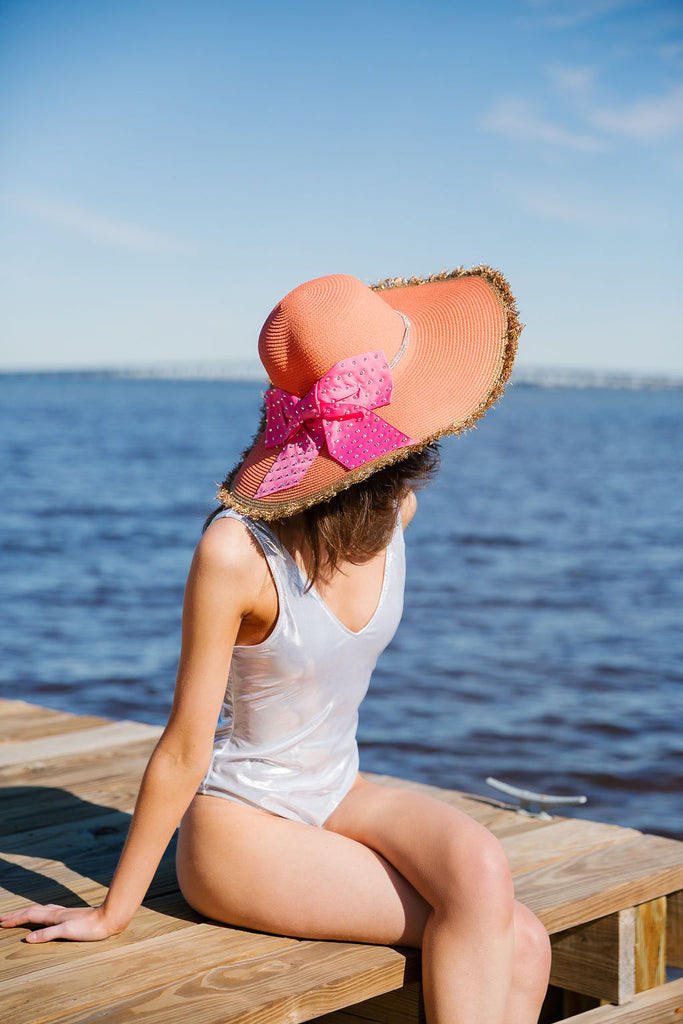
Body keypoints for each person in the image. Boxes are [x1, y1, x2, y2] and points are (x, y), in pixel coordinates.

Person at [1, 268, 551, 1023]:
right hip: (242, 833)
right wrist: (112, 911)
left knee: (485, 870)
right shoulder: (236, 553)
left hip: (338, 790)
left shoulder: (399, 513)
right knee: (514, 939)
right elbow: (184, 748)